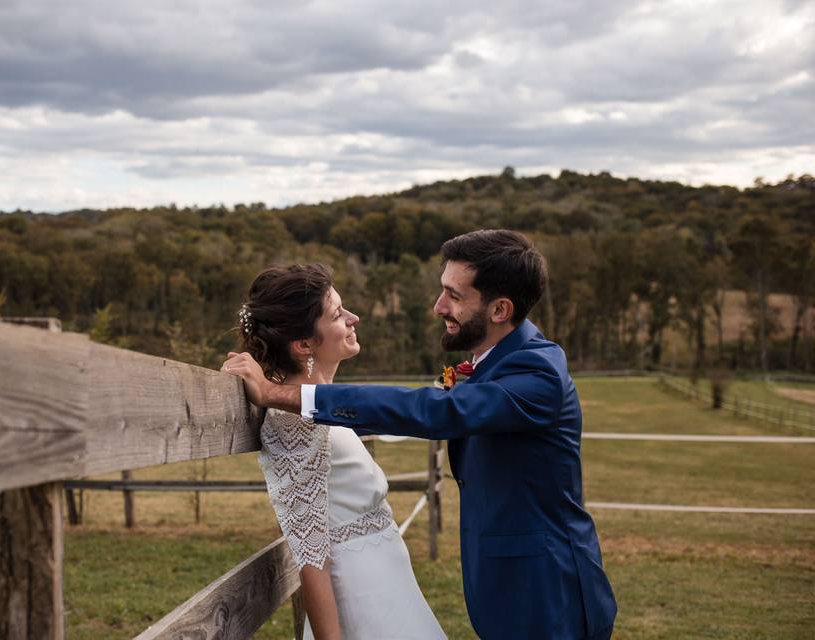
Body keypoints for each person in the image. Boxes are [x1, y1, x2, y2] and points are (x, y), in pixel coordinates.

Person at [222, 230, 617, 640]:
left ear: (500, 309)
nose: (438, 306)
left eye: (455, 296)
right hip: (463, 589)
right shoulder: (493, 364)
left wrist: (281, 393)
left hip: (548, 592)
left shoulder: (537, 373)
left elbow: (431, 411)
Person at [232, 263, 446, 640]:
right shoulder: (292, 423)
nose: (353, 318)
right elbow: (310, 555)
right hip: (361, 600)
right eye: (337, 314)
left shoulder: (318, 411)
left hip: (389, 588)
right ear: (304, 344)